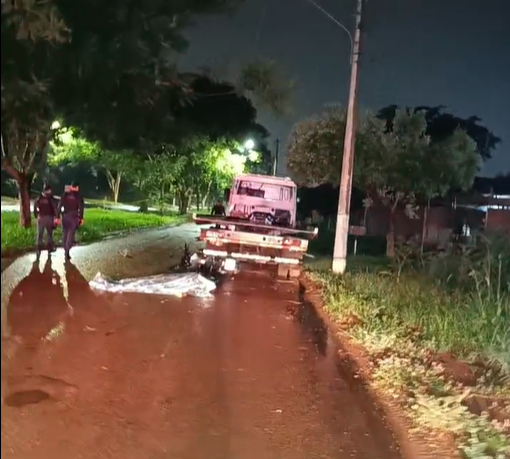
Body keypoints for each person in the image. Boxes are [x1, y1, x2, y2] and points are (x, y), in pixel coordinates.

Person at [59, 182, 84, 260]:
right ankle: (67, 250)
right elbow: (81, 207)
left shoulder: (65, 194)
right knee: (70, 234)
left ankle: (65, 249)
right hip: (73, 217)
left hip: (65, 216)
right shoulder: (78, 195)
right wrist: (81, 218)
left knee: (64, 233)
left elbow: (60, 205)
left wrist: (57, 215)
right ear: (76, 187)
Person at [33, 184, 59, 254]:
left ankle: (38, 248)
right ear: (48, 190)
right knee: (49, 234)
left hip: (40, 217)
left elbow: (35, 209)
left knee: (40, 234)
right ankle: (49, 248)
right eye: (50, 190)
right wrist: (56, 217)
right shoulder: (51, 198)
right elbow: (55, 209)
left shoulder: (38, 198)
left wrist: (36, 216)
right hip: (49, 218)